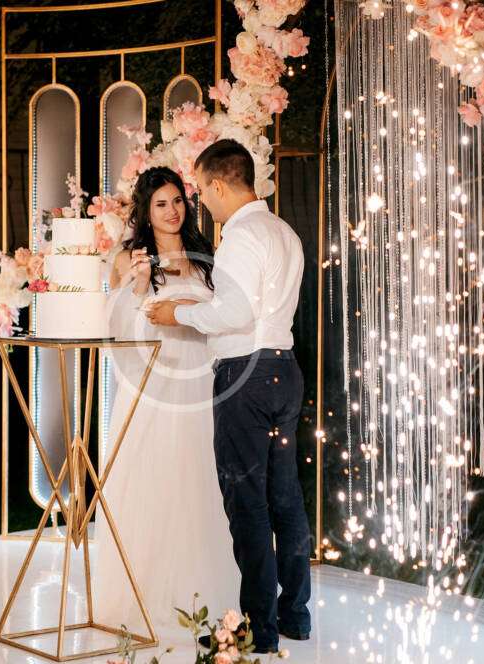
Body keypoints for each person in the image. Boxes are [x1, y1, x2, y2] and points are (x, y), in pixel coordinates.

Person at [146, 139, 312, 653]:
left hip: (246, 375)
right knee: (285, 499)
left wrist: (178, 314)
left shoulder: (241, 237)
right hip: (285, 370)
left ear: (219, 185)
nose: (201, 202)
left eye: (201, 191)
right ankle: (295, 615)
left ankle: (258, 628)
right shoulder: (284, 232)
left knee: (248, 504)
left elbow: (235, 314)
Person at [93, 166, 240, 633]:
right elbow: (113, 328)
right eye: (161, 204)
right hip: (152, 383)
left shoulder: (206, 257)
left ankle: (202, 596)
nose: (172, 211)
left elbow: (223, 318)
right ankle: (142, 598)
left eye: (177, 201)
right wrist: (139, 285)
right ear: (146, 210)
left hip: (199, 381)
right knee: (152, 479)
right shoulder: (128, 257)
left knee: (199, 481)